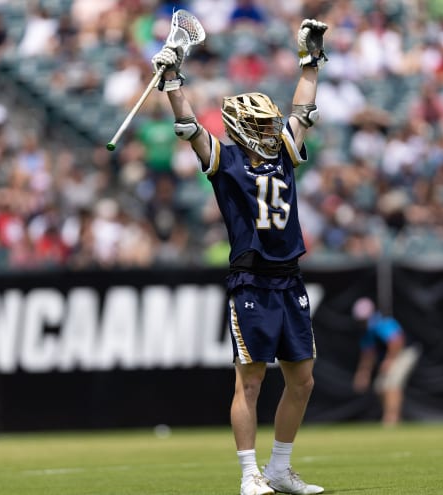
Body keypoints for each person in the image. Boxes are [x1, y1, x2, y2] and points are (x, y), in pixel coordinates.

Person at [151, 17, 329, 495]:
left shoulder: (284, 152)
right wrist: (171, 80)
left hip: (289, 278)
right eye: (260, 124)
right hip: (252, 281)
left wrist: (310, 61)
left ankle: (279, 469)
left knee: (303, 380)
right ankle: (249, 472)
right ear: (239, 128)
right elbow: (188, 127)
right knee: (249, 382)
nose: (271, 129)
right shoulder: (224, 161)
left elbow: (303, 109)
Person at [351, 297, 421, 426]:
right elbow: (368, 354)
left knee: (392, 383)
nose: (362, 321)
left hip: (404, 353)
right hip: (393, 355)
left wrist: (389, 360)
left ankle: (391, 419)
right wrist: (363, 373)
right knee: (380, 387)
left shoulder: (381, 322)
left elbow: (396, 341)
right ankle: (393, 417)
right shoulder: (366, 330)